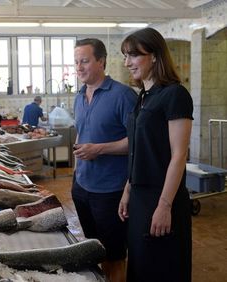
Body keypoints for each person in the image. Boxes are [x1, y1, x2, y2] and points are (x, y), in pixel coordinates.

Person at [118, 27, 193, 282]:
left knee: (162, 267)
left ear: (154, 56)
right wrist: (128, 189)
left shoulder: (175, 94)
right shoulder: (143, 97)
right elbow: (140, 150)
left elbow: (179, 155)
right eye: (125, 56)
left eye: (133, 55)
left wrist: (164, 205)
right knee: (140, 266)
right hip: (140, 196)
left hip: (162, 197)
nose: (127, 62)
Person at [72, 38, 137, 282]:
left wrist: (98, 149)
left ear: (101, 61)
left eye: (85, 61)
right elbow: (81, 133)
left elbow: (137, 143)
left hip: (110, 191)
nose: (79, 67)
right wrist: (77, 172)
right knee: (94, 248)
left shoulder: (123, 96)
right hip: (82, 187)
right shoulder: (79, 96)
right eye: (76, 61)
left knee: (114, 255)